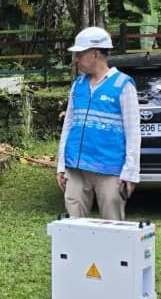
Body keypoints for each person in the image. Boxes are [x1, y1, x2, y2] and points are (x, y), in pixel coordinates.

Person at [56, 26, 141, 220]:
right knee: (75, 225)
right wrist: (61, 165)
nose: (77, 59)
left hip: (110, 169)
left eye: (80, 54)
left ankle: (113, 252)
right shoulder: (78, 84)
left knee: (112, 226)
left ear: (95, 53)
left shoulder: (123, 85)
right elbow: (68, 126)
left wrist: (130, 172)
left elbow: (133, 132)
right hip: (76, 169)